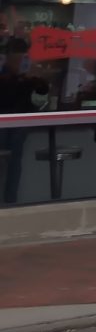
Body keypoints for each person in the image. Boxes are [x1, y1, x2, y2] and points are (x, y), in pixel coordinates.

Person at [0, 36, 36, 205]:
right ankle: (9, 202)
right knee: (11, 161)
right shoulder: (6, 72)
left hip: (18, 117)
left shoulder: (25, 73)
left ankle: (9, 202)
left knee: (12, 160)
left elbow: (40, 92)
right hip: (11, 117)